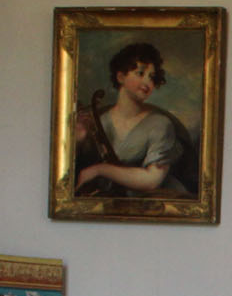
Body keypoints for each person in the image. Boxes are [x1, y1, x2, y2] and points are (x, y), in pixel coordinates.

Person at [72, 41, 199, 198]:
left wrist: (100, 169)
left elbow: (151, 180)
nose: (148, 83)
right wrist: (79, 140)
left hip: (152, 205)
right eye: (140, 74)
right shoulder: (100, 121)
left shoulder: (160, 124)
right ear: (120, 76)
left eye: (152, 78)